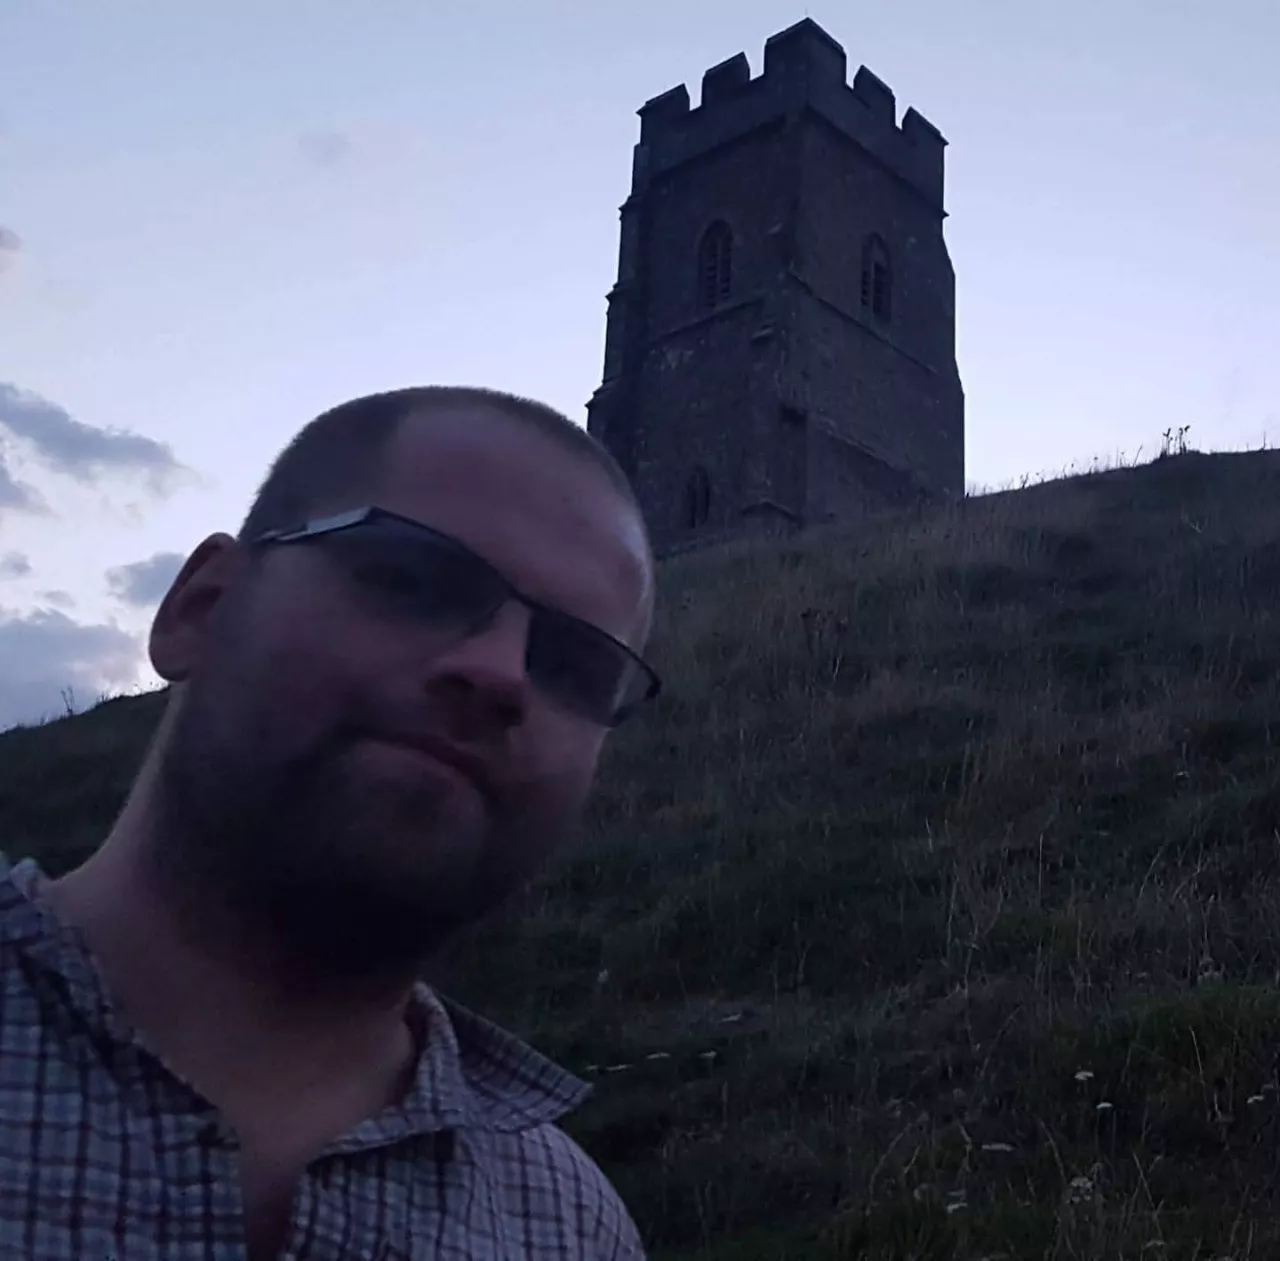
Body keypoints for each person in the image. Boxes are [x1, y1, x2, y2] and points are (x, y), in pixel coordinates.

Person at [0, 386, 659, 1259]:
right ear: (203, 607)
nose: (503, 673)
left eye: (574, 664)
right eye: (415, 580)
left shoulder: (575, 1229)